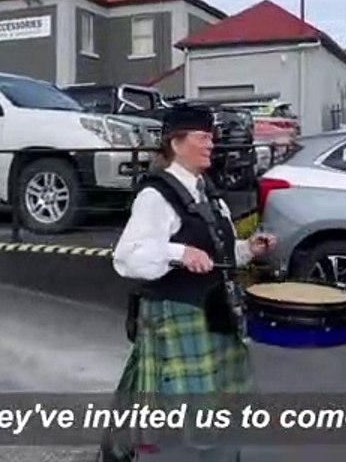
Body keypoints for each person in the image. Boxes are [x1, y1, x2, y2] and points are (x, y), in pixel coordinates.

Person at [99, 104, 276, 462]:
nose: (211, 144)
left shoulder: (207, 192)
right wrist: (179, 252)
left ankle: (119, 448)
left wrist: (248, 250)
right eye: (203, 137)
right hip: (178, 315)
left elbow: (216, 253)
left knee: (216, 408)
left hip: (216, 315)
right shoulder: (156, 196)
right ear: (176, 143)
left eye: (212, 137)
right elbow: (127, 256)